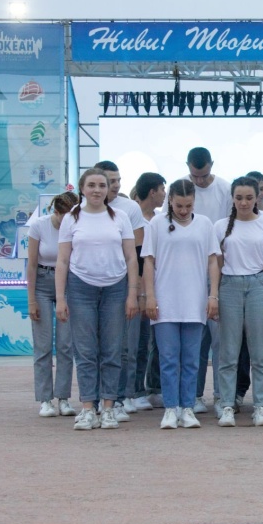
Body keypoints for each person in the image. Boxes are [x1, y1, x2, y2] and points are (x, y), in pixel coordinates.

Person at [56, 168, 139, 431]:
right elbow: (62, 260)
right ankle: (88, 408)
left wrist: (132, 294)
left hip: (116, 288)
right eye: (91, 185)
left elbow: (131, 258)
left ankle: (109, 407)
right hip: (80, 288)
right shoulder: (72, 218)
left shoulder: (121, 217)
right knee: (85, 351)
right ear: (82, 189)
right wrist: (60, 298)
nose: (97, 190)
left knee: (113, 350)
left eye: (102, 185)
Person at [143, 179, 221, 429]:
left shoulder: (205, 224)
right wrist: (150, 296)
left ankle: (187, 407)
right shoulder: (157, 224)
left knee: (191, 359)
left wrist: (213, 295)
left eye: (188, 205)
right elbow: (148, 261)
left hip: (194, 301)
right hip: (165, 301)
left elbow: (213, 261)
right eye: (179, 206)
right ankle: (170, 408)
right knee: (168, 358)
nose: (184, 210)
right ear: (170, 201)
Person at [215, 177, 263, 427]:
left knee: (260, 352)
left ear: (257, 198)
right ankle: (227, 404)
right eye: (239, 198)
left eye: (249, 198)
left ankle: (261, 405)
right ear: (232, 198)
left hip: (259, 286)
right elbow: (217, 264)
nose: (243, 202)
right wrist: (214, 295)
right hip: (229, 286)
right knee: (229, 352)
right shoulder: (220, 226)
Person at [95, 161, 146, 420]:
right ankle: (97, 397)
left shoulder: (129, 208)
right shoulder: (83, 210)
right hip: (92, 284)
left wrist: (137, 288)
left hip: (124, 282)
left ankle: (123, 396)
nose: (115, 185)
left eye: (118, 180)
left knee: (125, 345)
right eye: (110, 181)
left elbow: (137, 251)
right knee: (96, 346)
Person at [183, 147, 231, 414]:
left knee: (220, 340)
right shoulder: (181, 188)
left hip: (218, 270)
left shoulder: (224, 189)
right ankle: (194, 395)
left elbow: (229, 227)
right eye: (195, 176)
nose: (199, 181)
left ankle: (221, 395)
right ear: (187, 167)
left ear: (212, 165)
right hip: (190, 273)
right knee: (194, 340)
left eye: (203, 175)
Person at [27, 191, 78, 418]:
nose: (68, 221)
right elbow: (31, 264)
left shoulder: (76, 226)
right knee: (43, 345)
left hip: (67, 283)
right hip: (42, 283)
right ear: (56, 212)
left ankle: (63, 397)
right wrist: (31, 300)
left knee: (66, 345)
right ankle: (45, 399)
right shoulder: (39, 226)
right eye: (64, 217)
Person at [134, 172, 167, 410]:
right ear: (152, 191)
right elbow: (138, 258)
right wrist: (140, 290)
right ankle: (135, 389)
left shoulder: (161, 220)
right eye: (162, 189)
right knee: (138, 341)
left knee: (156, 341)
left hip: (160, 286)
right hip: (139, 286)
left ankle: (155, 387)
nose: (164, 194)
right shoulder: (134, 218)